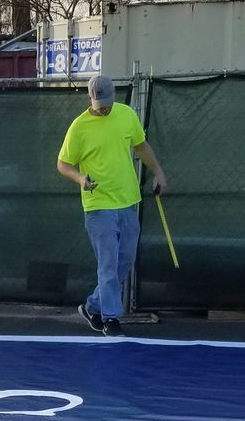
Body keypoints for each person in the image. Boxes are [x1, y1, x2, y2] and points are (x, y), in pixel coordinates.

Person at [56, 74, 168, 337]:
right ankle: (111, 319)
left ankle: (93, 306)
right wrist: (81, 178)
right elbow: (63, 164)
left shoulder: (127, 115)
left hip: (128, 201)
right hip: (98, 205)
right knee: (108, 264)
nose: (103, 108)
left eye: (107, 102)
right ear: (89, 99)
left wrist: (158, 173)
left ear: (114, 95)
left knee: (124, 261)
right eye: (99, 104)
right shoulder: (78, 127)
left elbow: (141, 147)